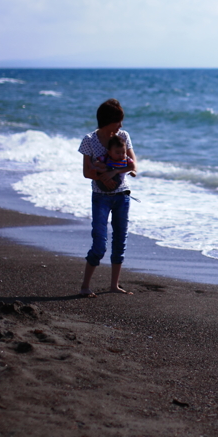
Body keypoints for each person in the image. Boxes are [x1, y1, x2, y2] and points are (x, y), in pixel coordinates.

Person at [78, 98, 137, 297]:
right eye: (117, 121)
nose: (120, 125)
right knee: (99, 243)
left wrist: (112, 173)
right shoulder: (89, 140)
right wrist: (103, 176)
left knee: (120, 241)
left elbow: (133, 164)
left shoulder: (123, 136)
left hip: (122, 196)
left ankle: (114, 285)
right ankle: (85, 286)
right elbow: (87, 172)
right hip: (100, 197)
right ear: (107, 120)